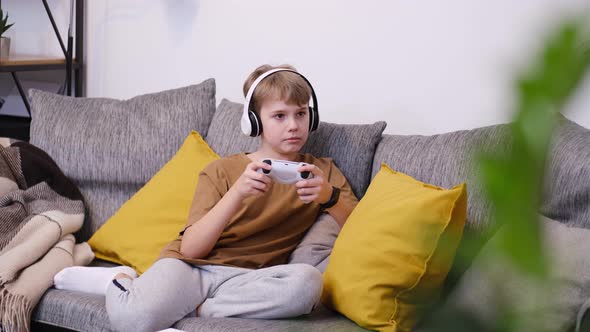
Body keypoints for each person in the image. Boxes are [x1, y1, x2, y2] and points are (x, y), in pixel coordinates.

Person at [54, 64, 358, 332]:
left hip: (252, 281)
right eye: (279, 115)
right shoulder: (222, 171)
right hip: (193, 268)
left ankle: (198, 310)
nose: (294, 125)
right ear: (254, 122)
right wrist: (238, 193)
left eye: (301, 114)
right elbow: (192, 247)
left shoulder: (323, 172)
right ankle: (120, 280)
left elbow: (360, 230)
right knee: (132, 320)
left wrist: (329, 197)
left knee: (307, 284)